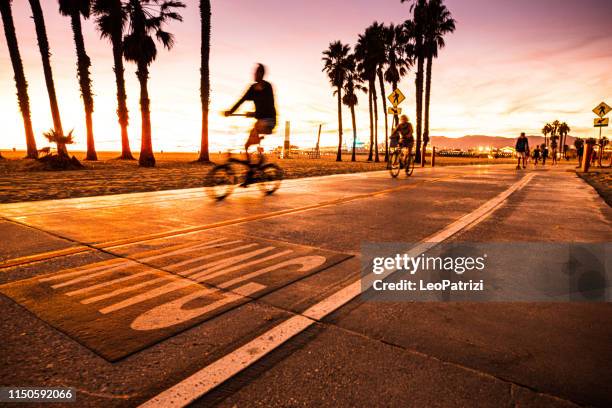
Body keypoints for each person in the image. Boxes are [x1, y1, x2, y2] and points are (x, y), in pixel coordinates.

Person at [225, 63, 277, 185]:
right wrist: (231, 111)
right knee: (246, 146)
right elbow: (241, 100)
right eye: (254, 72)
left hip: (269, 120)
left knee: (256, 127)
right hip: (259, 121)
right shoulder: (252, 89)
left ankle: (258, 163)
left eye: (257, 72)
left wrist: (254, 114)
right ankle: (251, 172)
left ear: (262, 74)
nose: (254, 74)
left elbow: (268, 107)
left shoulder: (267, 87)